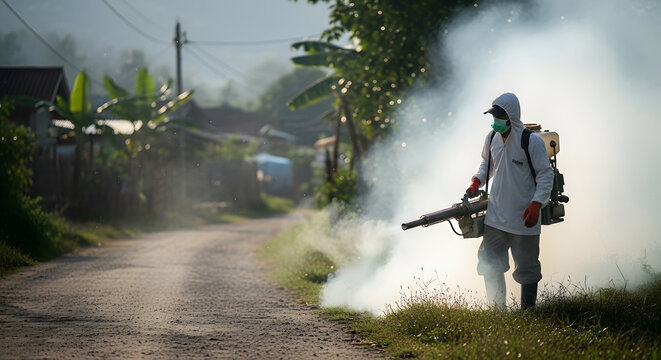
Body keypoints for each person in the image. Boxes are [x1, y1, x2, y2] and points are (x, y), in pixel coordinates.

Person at [465, 92, 553, 310]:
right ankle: (498, 311)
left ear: (511, 116)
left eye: (499, 116)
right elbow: (487, 164)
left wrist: (536, 204)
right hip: (495, 216)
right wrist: (477, 180)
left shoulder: (530, 141)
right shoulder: (492, 137)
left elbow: (545, 174)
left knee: (527, 268)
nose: (495, 121)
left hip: (524, 218)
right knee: (490, 263)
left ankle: (528, 313)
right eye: (493, 116)